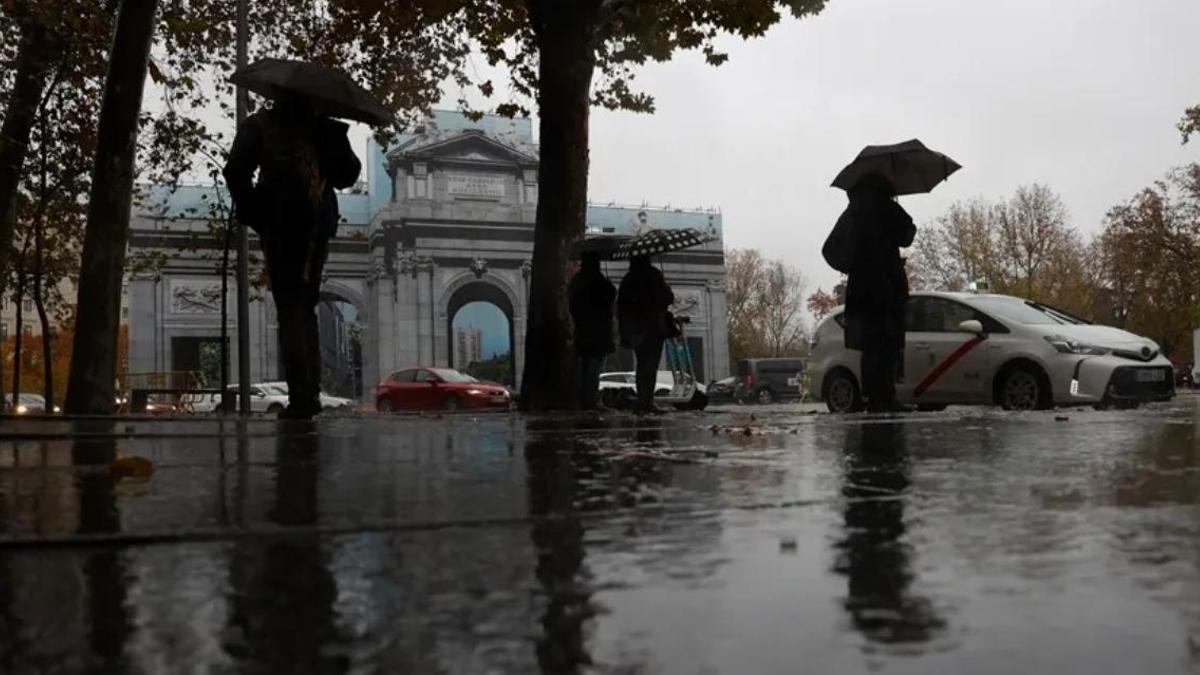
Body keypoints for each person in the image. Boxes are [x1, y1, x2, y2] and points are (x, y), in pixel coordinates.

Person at [223, 94, 361, 419]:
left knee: (290, 308)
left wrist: (254, 210)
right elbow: (348, 175)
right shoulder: (325, 128)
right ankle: (307, 395)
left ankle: (301, 397)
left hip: (279, 220)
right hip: (316, 221)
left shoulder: (260, 124)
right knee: (305, 306)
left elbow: (235, 171)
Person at [827, 173, 915, 412]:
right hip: (887, 284)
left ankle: (875, 396)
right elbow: (908, 235)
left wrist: (853, 265)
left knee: (870, 344)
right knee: (888, 341)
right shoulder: (887, 208)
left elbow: (829, 249)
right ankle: (886, 396)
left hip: (862, 289)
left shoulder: (851, 214)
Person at [618, 255, 675, 414]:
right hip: (653, 327)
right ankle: (647, 400)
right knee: (651, 365)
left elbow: (621, 306)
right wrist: (667, 289)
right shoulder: (654, 275)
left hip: (636, 329)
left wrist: (624, 331)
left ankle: (643, 399)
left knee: (642, 364)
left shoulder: (628, 279)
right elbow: (667, 298)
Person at [568, 251, 617, 410]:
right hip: (597, 330)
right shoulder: (597, 280)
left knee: (585, 367)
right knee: (594, 367)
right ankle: (591, 401)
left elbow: (572, 304)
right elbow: (607, 299)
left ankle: (584, 400)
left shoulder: (576, 280)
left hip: (582, 329)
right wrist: (610, 288)